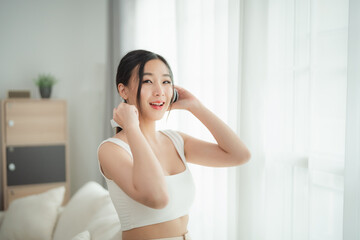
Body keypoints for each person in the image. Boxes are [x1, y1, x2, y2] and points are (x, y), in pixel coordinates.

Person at [97, 49, 251, 240]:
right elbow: (158, 197)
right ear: (123, 90)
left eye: (166, 82)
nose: (159, 91)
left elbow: (239, 155)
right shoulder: (111, 150)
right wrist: (132, 127)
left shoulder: (175, 140)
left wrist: (195, 106)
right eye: (147, 81)